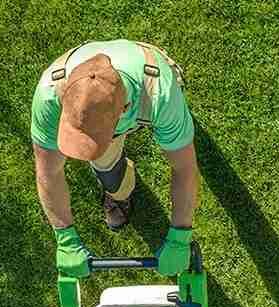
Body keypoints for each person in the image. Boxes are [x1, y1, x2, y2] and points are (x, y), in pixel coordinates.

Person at [31, 39, 199, 278]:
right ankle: (119, 194)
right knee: (108, 173)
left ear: (124, 109)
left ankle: (175, 125)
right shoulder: (50, 96)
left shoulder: (160, 94)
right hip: (123, 108)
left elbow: (184, 167)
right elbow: (48, 171)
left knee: (178, 135)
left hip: (148, 83)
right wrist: (64, 237)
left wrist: (180, 236)